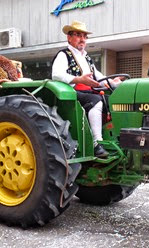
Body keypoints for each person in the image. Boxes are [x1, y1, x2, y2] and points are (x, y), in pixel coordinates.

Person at [52, 21, 124, 158]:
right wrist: (79, 79)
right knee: (96, 100)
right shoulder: (64, 54)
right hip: (72, 93)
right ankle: (97, 143)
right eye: (78, 35)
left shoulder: (86, 57)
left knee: (113, 102)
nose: (82, 39)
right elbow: (56, 74)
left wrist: (113, 82)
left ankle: (117, 139)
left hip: (88, 91)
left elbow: (99, 76)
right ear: (69, 37)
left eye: (84, 36)